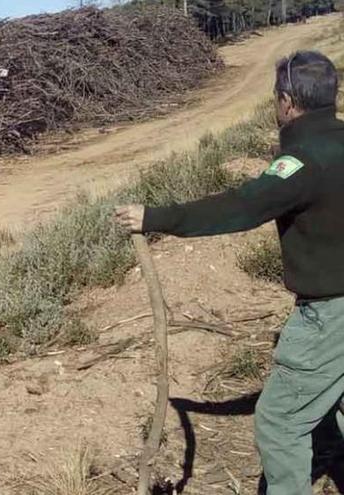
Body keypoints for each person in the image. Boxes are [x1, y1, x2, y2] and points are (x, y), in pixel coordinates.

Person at [115, 50, 344, 495]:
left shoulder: (302, 162)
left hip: (330, 316)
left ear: (286, 101)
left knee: (281, 421)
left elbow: (242, 206)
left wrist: (157, 217)